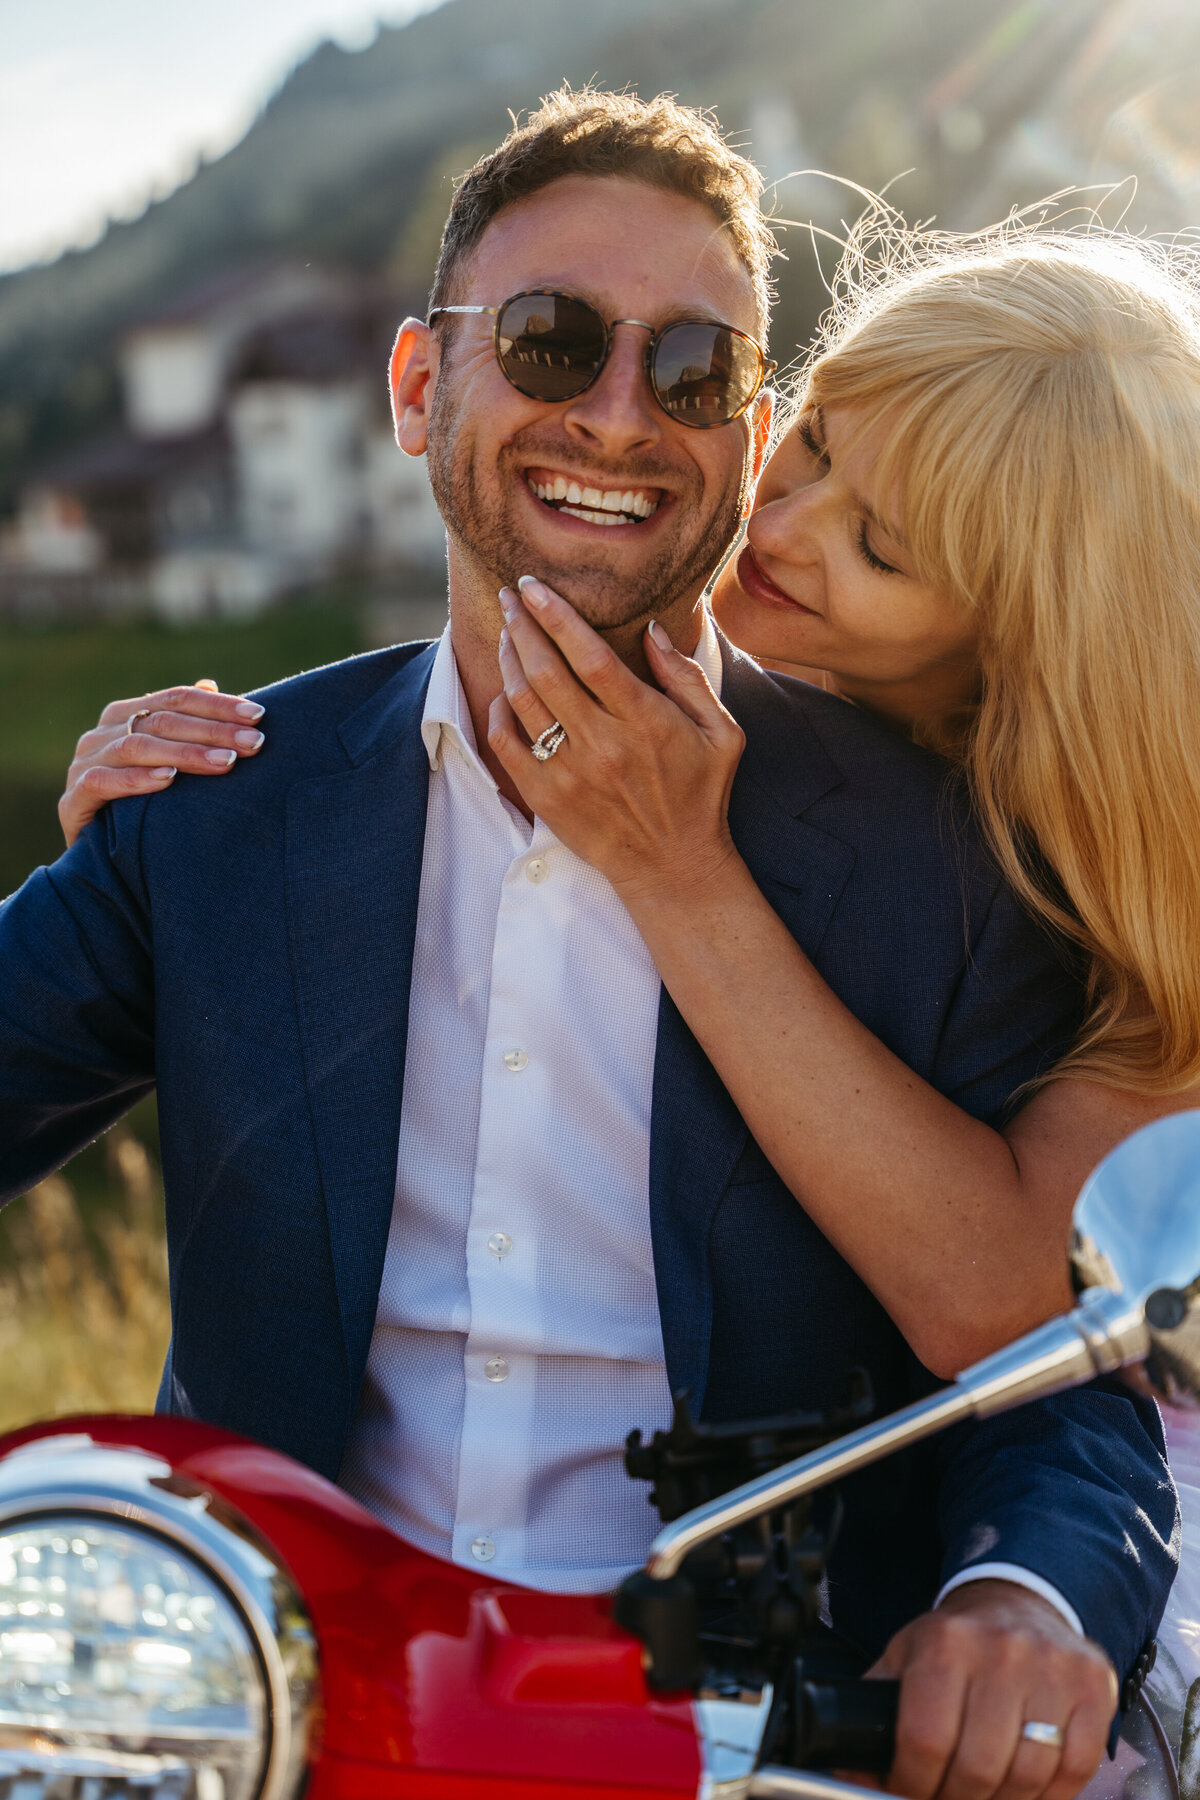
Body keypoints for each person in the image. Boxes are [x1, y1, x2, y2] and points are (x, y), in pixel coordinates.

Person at [0, 91, 1174, 1800]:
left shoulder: (968, 863)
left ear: (746, 432)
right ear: (421, 387)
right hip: (274, 1716)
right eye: (551, 341)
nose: (619, 416)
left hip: (754, 1754)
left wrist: (1022, 1598)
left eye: (693, 370)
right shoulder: (213, 801)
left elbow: (1061, 1372)